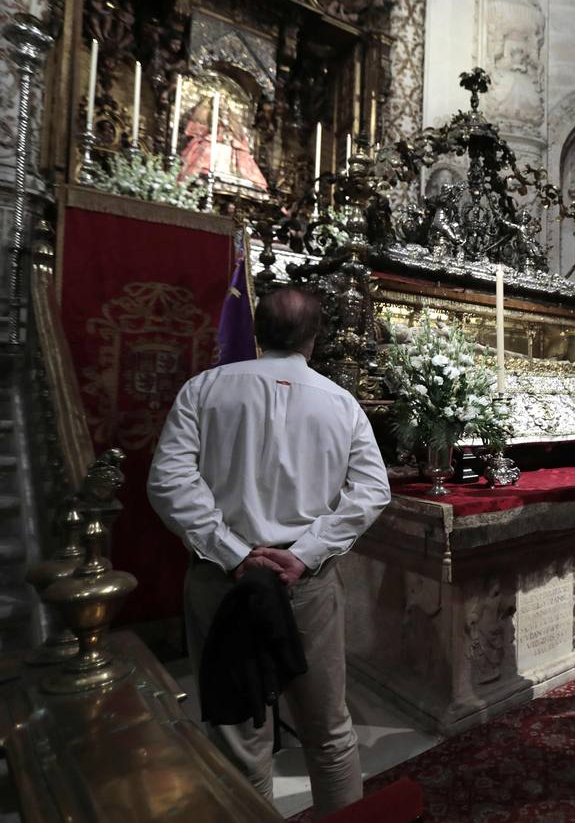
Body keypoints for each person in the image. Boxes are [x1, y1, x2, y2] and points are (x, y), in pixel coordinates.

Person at [147, 287, 391, 819]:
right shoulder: (341, 402)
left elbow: (169, 483)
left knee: (238, 735)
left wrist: (234, 552)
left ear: (256, 331)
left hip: (223, 581)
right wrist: (305, 552)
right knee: (327, 730)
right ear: (315, 337)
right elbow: (372, 490)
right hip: (301, 582)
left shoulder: (205, 389)